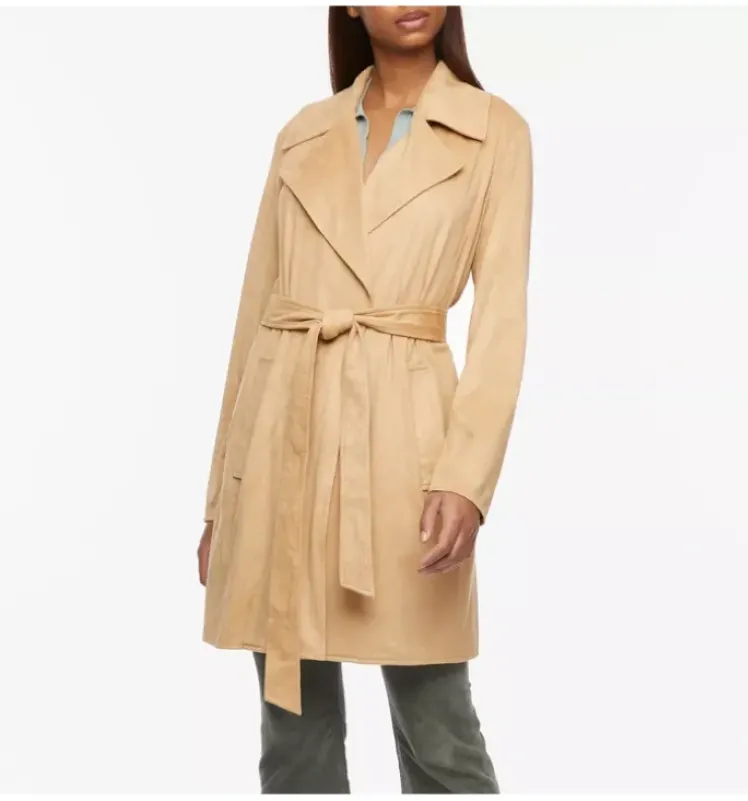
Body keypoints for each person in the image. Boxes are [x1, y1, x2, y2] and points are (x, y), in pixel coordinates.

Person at [196, 5, 533, 794]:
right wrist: (221, 500)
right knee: (293, 736)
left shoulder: (495, 131)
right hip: (282, 439)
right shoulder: (301, 135)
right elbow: (255, 315)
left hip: (405, 446)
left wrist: (466, 480)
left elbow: (502, 323)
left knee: (439, 731)